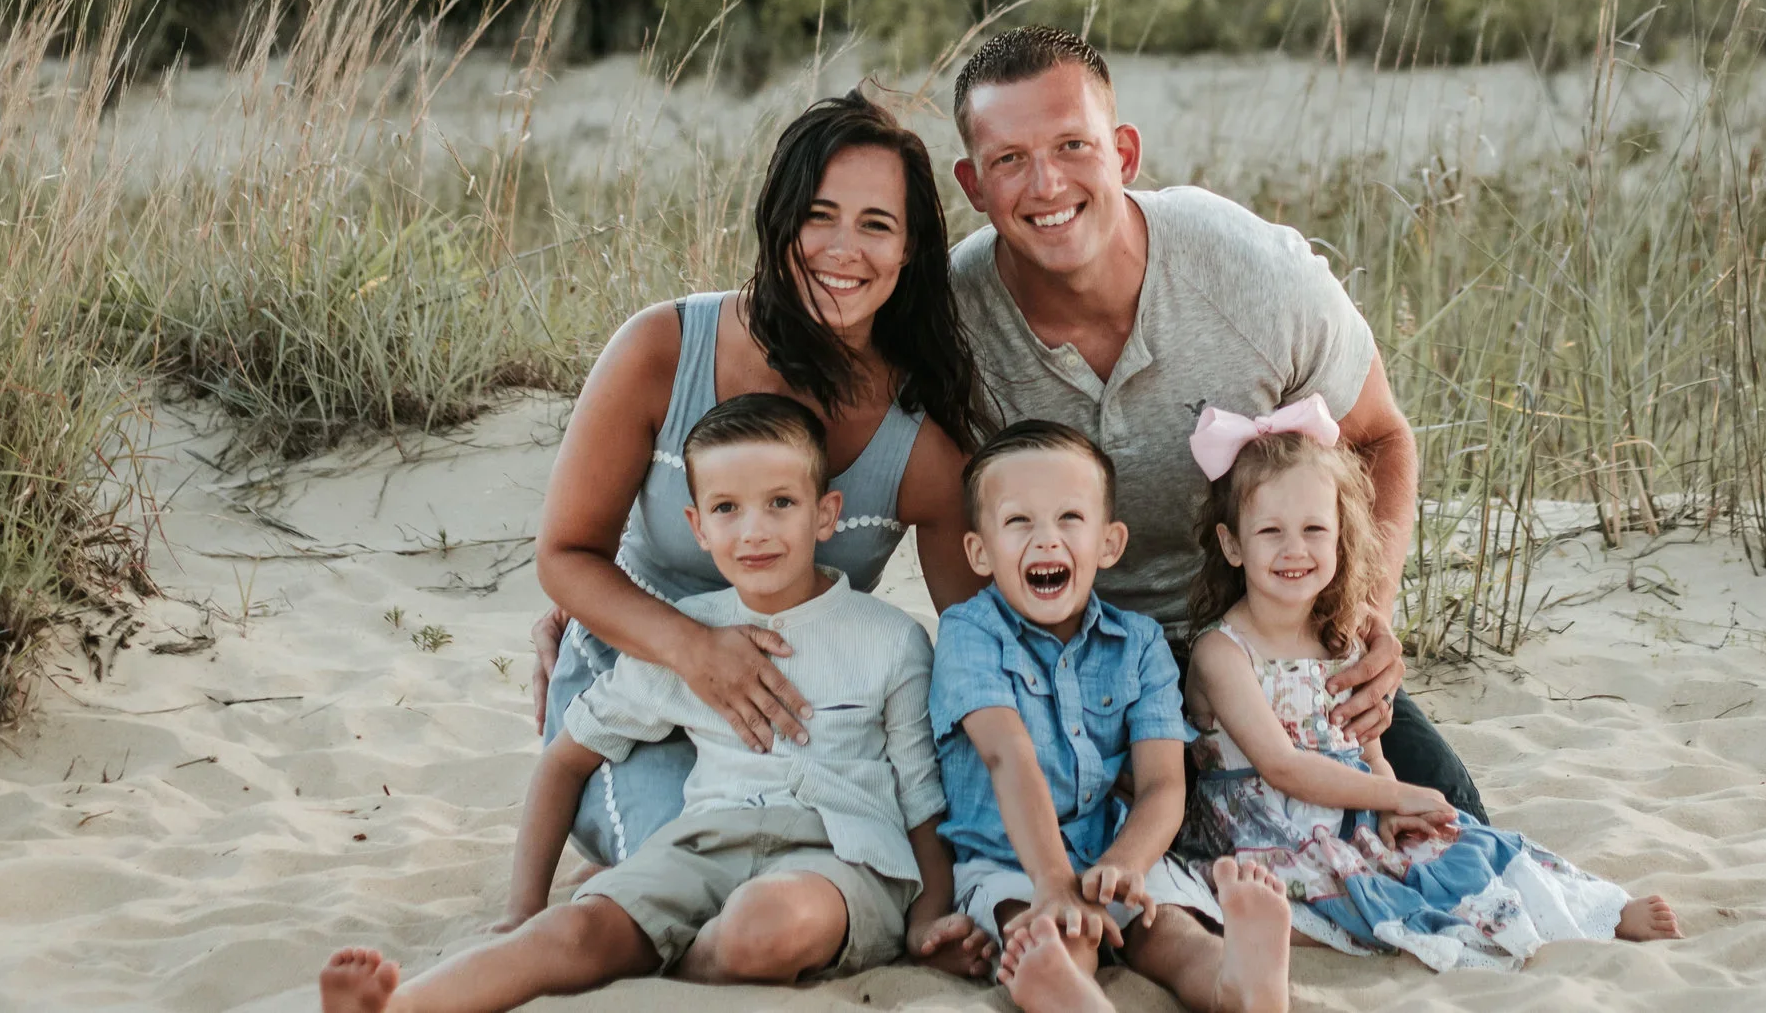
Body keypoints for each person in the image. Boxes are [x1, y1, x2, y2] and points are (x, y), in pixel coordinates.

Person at [948, 26, 1486, 818]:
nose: (1046, 182)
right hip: (1084, 657)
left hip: (1266, 635)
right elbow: (941, 513)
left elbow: (1380, 435)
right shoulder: (953, 320)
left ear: (1124, 153)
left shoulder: (1246, 270)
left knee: (1451, 812)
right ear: (972, 183)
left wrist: (1367, 611)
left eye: (1072, 145)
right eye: (1009, 159)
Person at [317, 396, 992, 1013]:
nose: (753, 530)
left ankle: (681, 961)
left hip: (838, 859)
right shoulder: (690, 638)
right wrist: (523, 908)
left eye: (780, 502)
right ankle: (399, 1005)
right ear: (697, 526)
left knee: (766, 926)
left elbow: (921, 797)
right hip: (700, 847)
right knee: (574, 928)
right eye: (726, 509)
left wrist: (927, 917)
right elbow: (566, 759)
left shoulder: (890, 639)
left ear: (826, 513)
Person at [527, 90, 987, 868]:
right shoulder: (661, 350)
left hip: (806, 711)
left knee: (826, 877)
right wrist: (692, 647)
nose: (844, 248)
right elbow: (564, 554)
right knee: (695, 869)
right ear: (778, 220)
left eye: (876, 224)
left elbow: (976, 635)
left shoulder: (923, 445)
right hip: (636, 680)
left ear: (909, 250)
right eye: (819, 215)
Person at [1178, 400, 1681, 972]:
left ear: (1340, 537)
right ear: (1232, 544)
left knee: (1463, 843)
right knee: (1351, 890)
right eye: (1270, 531)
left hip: (1352, 814)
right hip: (1264, 833)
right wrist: (1396, 797)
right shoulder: (1223, 652)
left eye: (1314, 529)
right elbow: (1282, 766)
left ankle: (1601, 910)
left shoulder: (1341, 641)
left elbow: (1368, 751)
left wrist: (1391, 805)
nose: (1295, 549)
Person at [929, 420, 1293, 1013]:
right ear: (979, 551)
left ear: (1109, 543)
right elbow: (1007, 754)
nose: (1047, 540)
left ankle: (1239, 984)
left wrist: (1126, 863)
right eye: (1019, 521)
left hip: (1113, 847)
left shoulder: (1140, 644)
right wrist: (1053, 882)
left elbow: (1162, 784)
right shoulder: (969, 633)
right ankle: (1066, 990)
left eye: (1070, 518)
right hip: (1009, 862)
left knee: (1168, 928)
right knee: (1058, 935)